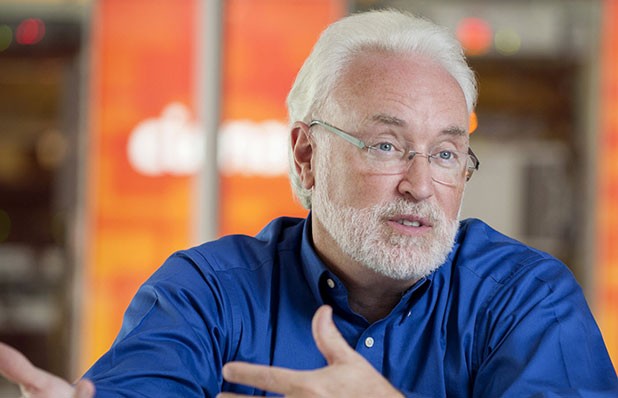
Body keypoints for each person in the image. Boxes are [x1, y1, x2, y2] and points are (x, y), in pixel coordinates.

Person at [1, 8, 618, 398]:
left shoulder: (527, 299)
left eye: (447, 153)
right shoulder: (208, 292)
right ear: (304, 156)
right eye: (386, 145)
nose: (421, 184)